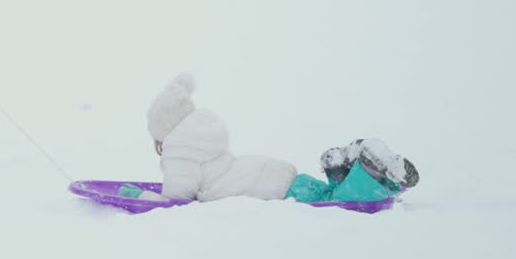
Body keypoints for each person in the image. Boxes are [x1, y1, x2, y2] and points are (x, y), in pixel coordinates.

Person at [146, 74, 418, 203]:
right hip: (273, 174)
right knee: (328, 196)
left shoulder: (178, 151)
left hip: (268, 192)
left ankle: (368, 173)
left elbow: (177, 198)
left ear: (164, 132)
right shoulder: (202, 137)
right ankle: (352, 171)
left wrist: (139, 196)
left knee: (339, 204)